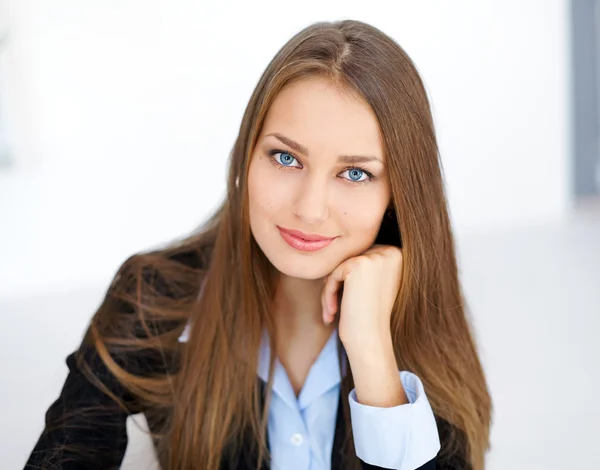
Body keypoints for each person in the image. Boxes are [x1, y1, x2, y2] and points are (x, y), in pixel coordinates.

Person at [24, 19, 491, 470]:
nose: (310, 209)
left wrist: (371, 349)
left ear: (398, 196)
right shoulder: (155, 293)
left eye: (355, 173)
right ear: (247, 156)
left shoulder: (421, 319)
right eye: (286, 158)